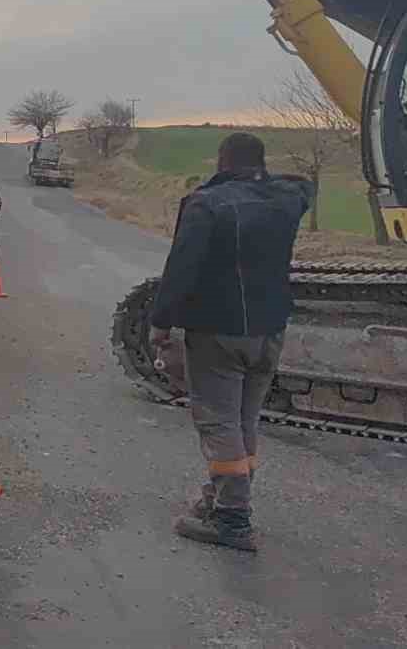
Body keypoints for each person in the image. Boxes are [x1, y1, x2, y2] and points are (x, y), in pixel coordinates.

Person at [148, 132, 311, 552]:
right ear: (260, 162)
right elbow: (301, 186)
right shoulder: (286, 200)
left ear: (222, 161)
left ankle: (232, 521)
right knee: (243, 421)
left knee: (219, 422)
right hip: (269, 330)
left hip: (218, 332)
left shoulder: (207, 204)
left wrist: (161, 323)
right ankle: (221, 499)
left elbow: (181, 268)